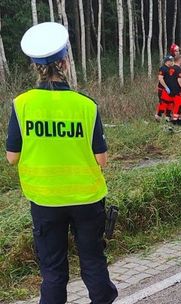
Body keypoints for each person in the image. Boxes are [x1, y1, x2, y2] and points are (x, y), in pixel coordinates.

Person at [5, 22, 117, 303]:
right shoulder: (85, 106)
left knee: (53, 271)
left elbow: (11, 157)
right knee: (92, 261)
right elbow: (101, 159)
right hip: (87, 199)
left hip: (44, 201)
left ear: (35, 66)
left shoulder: (22, 105)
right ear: (65, 63)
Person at [156, 55, 176, 121]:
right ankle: (158, 116)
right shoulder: (163, 68)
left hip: (169, 90)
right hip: (162, 89)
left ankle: (168, 117)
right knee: (163, 103)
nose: (172, 62)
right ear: (167, 61)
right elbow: (160, 79)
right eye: (171, 61)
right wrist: (166, 87)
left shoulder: (170, 69)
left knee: (170, 103)